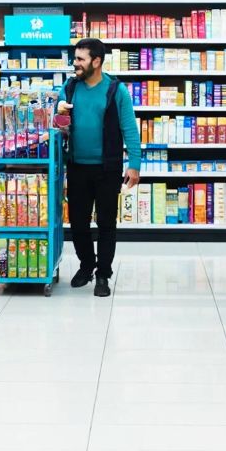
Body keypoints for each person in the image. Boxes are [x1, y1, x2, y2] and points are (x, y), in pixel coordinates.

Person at [57, 37, 141, 297]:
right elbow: (57, 126)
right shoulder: (69, 88)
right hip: (77, 166)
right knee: (78, 223)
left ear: (97, 61)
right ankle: (86, 265)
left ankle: (103, 274)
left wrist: (134, 164)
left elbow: (129, 129)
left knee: (106, 223)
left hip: (108, 168)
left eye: (80, 59)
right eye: (75, 58)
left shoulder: (116, 91)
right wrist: (59, 114)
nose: (75, 63)